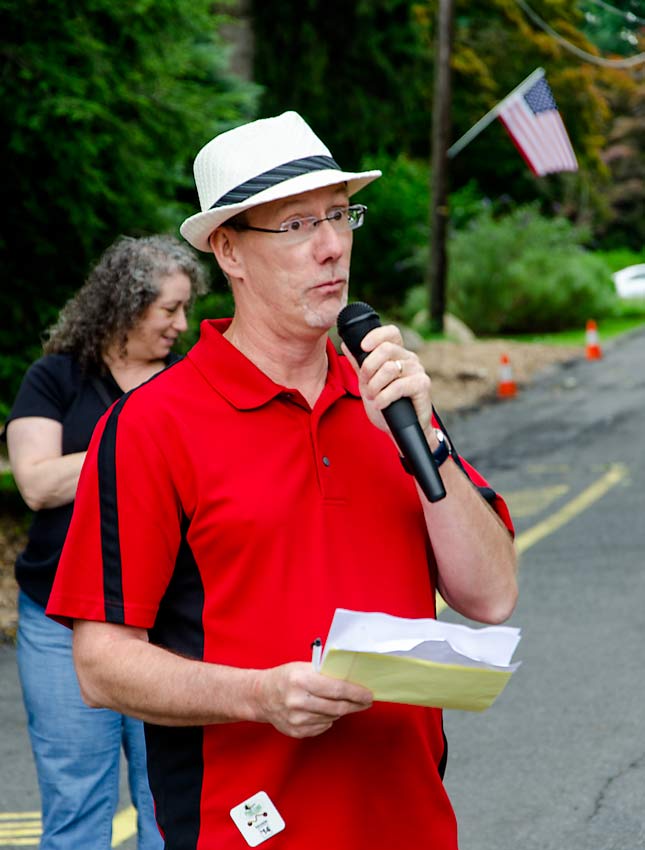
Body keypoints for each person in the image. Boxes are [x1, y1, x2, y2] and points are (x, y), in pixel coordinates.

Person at [47, 112, 518, 849]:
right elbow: (101, 666)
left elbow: (489, 596)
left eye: (338, 215)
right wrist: (258, 695)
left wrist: (425, 439)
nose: (332, 247)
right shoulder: (152, 425)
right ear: (229, 250)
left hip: (411, 820)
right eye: (297, 225)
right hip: (244, 826)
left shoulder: (388, 399)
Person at [5, 234, 207, 850]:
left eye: (184, 309)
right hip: (59, 620)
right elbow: (37, 484)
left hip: (165, 620)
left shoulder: (190, 381)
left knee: (167, 796)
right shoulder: (58, 376)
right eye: (169, 309)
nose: (181, 324)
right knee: (76, 799)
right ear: (125, 303)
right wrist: (132, 448)